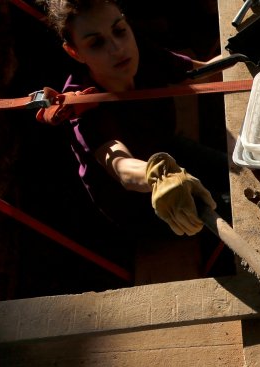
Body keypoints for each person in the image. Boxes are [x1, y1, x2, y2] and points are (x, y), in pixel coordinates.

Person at [45, 0, 229, 240]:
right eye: (96, 43)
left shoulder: (141, 53)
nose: (117, 48)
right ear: (75, 52)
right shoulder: (83, 107)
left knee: (243, 170)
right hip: (147, 202)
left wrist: (244, 53)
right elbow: (122, 167)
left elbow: (197, 74)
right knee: (230, 211)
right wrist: (159, 178)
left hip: (165, 150)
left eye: (120, 30)